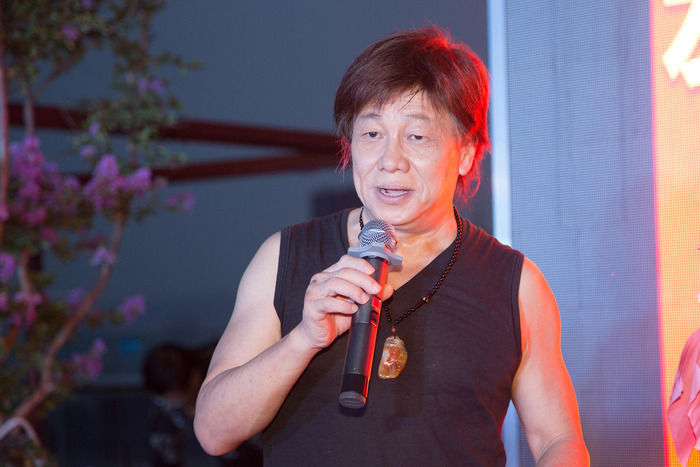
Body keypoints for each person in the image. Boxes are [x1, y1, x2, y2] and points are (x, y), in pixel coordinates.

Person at [194, 26, 589, 466]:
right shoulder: (285, 256)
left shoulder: (515, 284)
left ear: (466, 152)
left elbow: (558, 440)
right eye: (371, 134)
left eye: (417, 136)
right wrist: (302, 340)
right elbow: (213, 432)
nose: (390, 161)